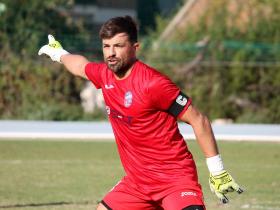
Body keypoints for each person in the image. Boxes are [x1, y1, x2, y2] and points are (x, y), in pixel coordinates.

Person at [38, 16, 243, 210]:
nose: (111, 53)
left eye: (118, 46)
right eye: (106, 46)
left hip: (175, 181)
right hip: (137, 184)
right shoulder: (105, 75)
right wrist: (59, 54)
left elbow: (199, 120)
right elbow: (80, 66)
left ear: (134, 48)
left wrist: (217, 170)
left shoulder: (153, 83)